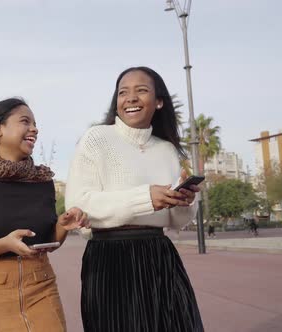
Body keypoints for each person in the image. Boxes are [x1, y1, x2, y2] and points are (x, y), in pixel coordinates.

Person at [66, 67, 204, 331]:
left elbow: (176, 221)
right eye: (123, 92)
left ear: (159, 101)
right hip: (109, 260)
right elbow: (79, 205)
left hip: (160, 255)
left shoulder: (167, 149)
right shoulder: (96, 138)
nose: (130, 98)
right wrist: (145, 198)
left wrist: (185, 202)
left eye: (141, 90)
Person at [0, 97, 89, 332]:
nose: (34, 128)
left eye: (35, 123)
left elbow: (47, 242)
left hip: (41, 288)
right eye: (25, 121)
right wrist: (5, 244)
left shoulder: (42, 181)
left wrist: (63, 226)